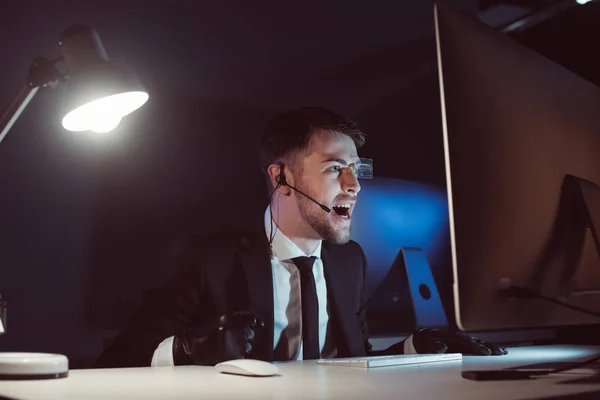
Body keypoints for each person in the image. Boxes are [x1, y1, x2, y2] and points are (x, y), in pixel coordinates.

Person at [96, 107, 506, 368]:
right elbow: (117, 361)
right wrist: (186, 349)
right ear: (282, 178)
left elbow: (349, 364)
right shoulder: (206, 258)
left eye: (356, 170)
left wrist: (415, 347)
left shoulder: (350, 262)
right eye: (334, 169)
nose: (354, 185)